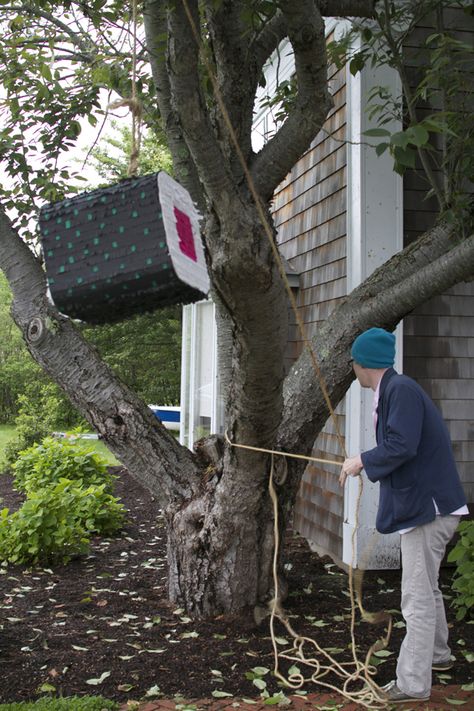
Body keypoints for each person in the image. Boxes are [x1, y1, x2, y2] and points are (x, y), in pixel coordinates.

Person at [339, 327, 468, 704]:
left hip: (429, 511)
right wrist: (364, 461)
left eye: (353, 363)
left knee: (415, 598)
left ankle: (412, 684)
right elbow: (401, 446)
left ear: (362, 364)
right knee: (426, 588)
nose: (353, 369)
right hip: (431, 508)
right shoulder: (394, 390)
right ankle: (439, 656)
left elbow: (402, 445)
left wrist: (361, 460)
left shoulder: (402, 390)